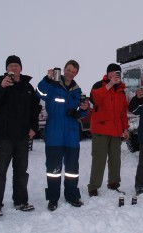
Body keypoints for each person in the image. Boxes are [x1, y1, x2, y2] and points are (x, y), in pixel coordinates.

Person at [0, 55, 40, 217]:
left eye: (16, 65)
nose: (13, 68)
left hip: (22, 137)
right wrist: (0, 87)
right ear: (6, 68)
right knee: (0, 172)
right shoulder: (0, 84)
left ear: (21, 68)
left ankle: (21, 201)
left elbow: (35, 110)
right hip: (4, 137)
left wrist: (33, 128)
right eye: (11, 65)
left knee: (21, 172)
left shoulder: (28, 87)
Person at [36, 60, 88, 211]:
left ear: (76, 73)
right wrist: (47, 79)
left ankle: (72, 196)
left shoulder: (77, 90)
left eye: (74, 71)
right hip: (54, 133)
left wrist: (83, 109)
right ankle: (53, 199)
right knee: (53, 170)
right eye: (69, 70)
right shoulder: (52, 85)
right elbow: (39, 93)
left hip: (71, 134)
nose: (70, 73)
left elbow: (81, 111)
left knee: (72, 170)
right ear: (64, 69)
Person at [87, 63, 129, 197]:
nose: (117, 75)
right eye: (115, 72)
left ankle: (114, 184)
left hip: (116, 132)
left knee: (115, 160)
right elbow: (95, 100)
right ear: (108, 73)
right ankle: (93, 187)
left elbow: (123, 112)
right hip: (101, 130)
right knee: (99, 159)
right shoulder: (99, 85)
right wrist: (109, 85)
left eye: (119, 73)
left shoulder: (122, 90)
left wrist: (125, 129)